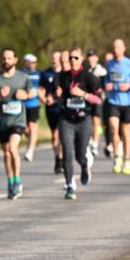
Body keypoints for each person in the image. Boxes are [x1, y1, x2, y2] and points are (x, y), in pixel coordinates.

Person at [0, 48, 33, 200]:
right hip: (2, 122)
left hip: (18, 120)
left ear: (15, 60)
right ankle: (10, 181)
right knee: (6, 153)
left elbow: (32, 93)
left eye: (9, 58)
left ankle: (17, 181)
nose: (6, 61)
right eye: (4, 58)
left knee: (13, 149)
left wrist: (25, 95)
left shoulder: (23, 77)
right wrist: (0, 95)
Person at [56, 47, 101, 200]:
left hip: (84, 120)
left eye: (76, 58)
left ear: (82, 59)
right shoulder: (63, 77)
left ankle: (84, 166)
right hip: (66, 120)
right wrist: (54, 96)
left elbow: (98, 99)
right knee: (67, 153)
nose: (72, 61)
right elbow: (57, 94)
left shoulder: (89, 78)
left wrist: (82, 94)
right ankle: (69, 186)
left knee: (80, 154)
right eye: (71, 58)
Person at [104, 38, 130, 174]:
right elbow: (106, 81)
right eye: (114, 48)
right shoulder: (109, 64)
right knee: (114, 128)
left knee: (125, 132)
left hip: (126, 102)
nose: (116, 50)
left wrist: (129, 85)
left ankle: (127, 160)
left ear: (124, 49)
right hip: (113, 101)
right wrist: (107, 85)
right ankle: (117, 156)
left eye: (118, 48)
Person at [41, 52, 64, 173]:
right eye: (53, 58)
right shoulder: (46, 73)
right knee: (54, 136)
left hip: (62, 107)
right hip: (50, 108)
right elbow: (41, 89)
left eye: (57, 58)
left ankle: (62, 159)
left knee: (61, 134)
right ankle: (57, 157)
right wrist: (43, 99)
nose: (54, 60)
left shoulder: (65, 73)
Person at [87, 50, 107, 156]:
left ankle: (95, 144)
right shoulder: (86, 70)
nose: (91, 59)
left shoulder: (102, 71)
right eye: (89, 56)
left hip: (98, 99)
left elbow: (105, 86)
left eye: (93, 56)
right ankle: (90, 140)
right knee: (88, 121)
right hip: (87, 98)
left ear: (97, 58)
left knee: (96, 121)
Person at [21, 53, 40, 162]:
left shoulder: (38, 74)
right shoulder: (21, 74)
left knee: (32, 126)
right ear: (25, 63)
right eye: (31, 62)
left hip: (34, 104)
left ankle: (30, 150)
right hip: (23, 105)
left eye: (34, 62)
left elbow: (42, 88)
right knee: (25, 129)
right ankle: (31, 141)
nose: (33, 65)